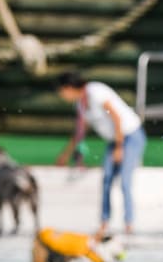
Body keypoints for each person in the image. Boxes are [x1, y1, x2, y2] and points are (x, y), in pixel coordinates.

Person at [55, 71, 146, 236]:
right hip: (115, 140)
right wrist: (66, 154)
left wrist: (120, 148)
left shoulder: (95, 91)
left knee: (124, 181)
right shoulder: (80, 105)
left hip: (130, 136)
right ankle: (104, 223)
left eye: (61, 91)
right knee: (106, 181)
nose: (61, 96)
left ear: (69, 88)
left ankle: (129, 224)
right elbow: (80, 131)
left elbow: (117, 118)